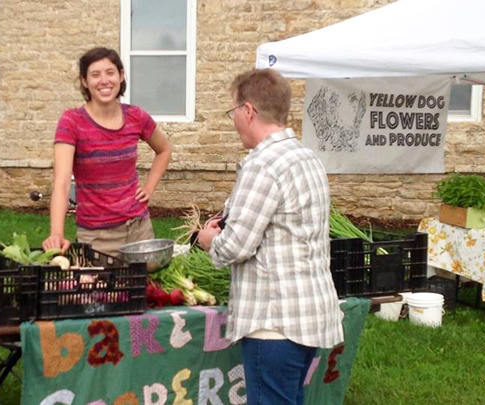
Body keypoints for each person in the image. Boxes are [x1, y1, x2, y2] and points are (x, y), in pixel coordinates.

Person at [196, 68, 344, 405]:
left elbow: (235, 247)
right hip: (308, 314)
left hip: (274, 322)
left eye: (233, 112)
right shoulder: (307, 157)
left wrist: (209, 241)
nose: (234, 120)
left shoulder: (262, 164)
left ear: (248, 111)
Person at [42, 47, 172, 256]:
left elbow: (164, 149)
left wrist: (148, 188)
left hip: (139, 229)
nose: (104, 80)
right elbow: (63, 181)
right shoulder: (72, 122)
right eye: (95, 74)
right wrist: (56, 232)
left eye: (110, 73)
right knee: (101, 288)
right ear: (84, 81)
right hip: (97, 236)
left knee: (144, 289)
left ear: (121, 76)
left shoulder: (136, 117)